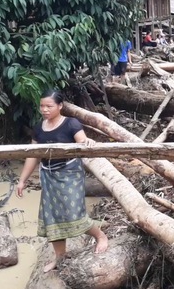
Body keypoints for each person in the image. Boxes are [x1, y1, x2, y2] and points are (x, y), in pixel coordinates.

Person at [17, 89, 109, 272]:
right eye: (42, 106)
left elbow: (82, 141)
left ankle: (101, 236)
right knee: (52, 217)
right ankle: (60, 257)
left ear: (60, 106)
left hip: (70, 174)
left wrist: (88, 142)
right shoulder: (38, 128)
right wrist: (22, 180)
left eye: (49, 106)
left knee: (74, 214)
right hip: (48, 176)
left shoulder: (71, 124)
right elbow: (32, 156)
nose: (44, 109)